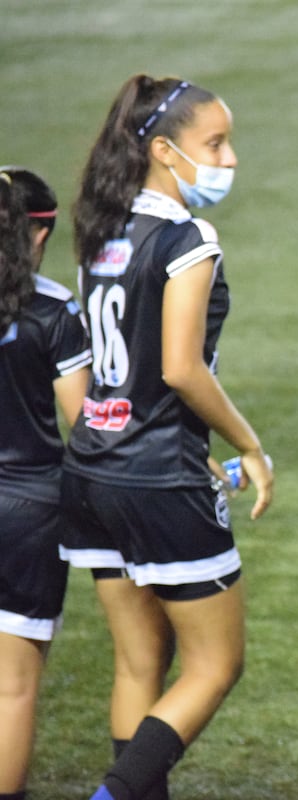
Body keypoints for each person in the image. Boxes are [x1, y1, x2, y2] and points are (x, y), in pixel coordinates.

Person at [58, 75, 274, 800]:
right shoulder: (187, 237)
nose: (230, 158)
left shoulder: (101, 233)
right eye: (214, 143)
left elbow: (112, 374)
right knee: (214, 666)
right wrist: (249, 444)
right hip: (158, 478)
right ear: (162, 150)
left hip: (91, 468)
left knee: (138, 661)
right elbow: (180, 368)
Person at [0, 167, 90, 800]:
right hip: (30, 514)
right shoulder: (56, 311)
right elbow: (84, 424)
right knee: (13, 686)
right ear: (39, 234)